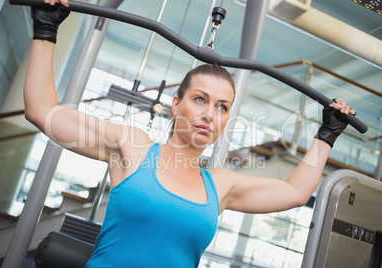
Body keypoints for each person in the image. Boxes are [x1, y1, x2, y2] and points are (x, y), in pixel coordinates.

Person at [25, 1, 356, 267]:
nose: (210, 114)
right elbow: (43, 112)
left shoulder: (222, 185)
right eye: (200, 99)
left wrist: (327, 134)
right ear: (175, 104)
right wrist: (45, 29)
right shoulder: (132, 146)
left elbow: (295, 192)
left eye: (222, 107)